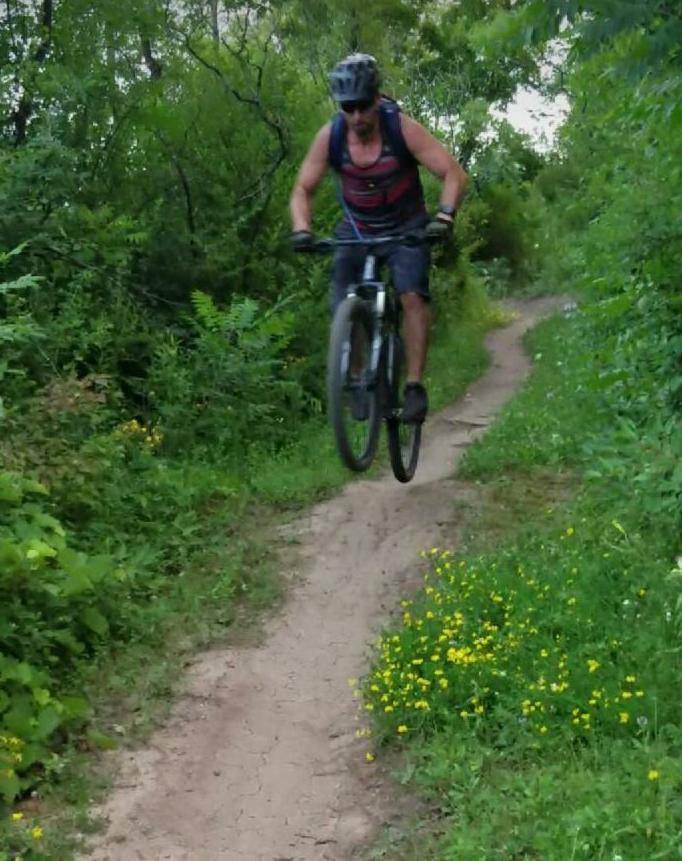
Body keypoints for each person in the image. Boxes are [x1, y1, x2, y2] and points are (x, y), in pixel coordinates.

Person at [289, 53, 468, 423]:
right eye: (348, 107)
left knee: (411, 295)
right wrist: (302, 228)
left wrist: (444, 216)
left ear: (377, 98)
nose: (357, 116)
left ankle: (414, 387)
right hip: (357, 229)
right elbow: (302, 189)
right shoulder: (331, 136)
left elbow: (453, 173)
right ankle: (357, 379)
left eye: (363, 105)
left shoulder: (401, 128)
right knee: (342, 302)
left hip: (406, 226)